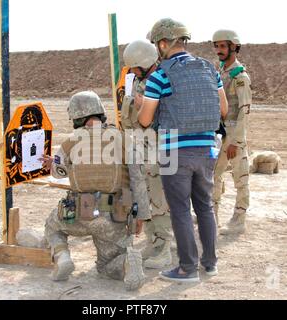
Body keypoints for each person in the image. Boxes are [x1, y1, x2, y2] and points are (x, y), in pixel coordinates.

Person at [137, 18, 228, 282]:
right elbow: (223, 111)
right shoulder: (210, 69)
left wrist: (142, 102)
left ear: (164, 43)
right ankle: (210, 264)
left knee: (180, 210)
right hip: (208, 149)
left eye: (157, 44)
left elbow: (144, 120)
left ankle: (187, 269)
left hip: (174, 152)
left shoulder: (160, 76)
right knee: (205, 207)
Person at [40, 91, 151, 291]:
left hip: (79, 214)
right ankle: (127, 261)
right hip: (114, 218)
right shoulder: (125, 140)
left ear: (76, 117)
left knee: (52, 227)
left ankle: (63, 257)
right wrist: (141, 215)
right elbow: (138, 180)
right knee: (106, 266)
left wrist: (52, 163)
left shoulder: (71, 141)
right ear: (99, 112)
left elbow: (58, 172)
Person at [121, 40, 173, 269]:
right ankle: (154, 243)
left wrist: (142, 106)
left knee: (159, 200)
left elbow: (161, 116)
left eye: (133, 67)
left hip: (160, 148)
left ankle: (164, 250)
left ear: (143, 63)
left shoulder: (161, 80)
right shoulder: (143, 81)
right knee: (148, 199)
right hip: (145, 147)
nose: (131, 72)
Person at [212, 30, 252, 234]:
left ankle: (239, 219)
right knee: (214, 175)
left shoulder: (240, 77)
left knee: (240, 177)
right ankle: (213, 216)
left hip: (234, 135)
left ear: (234, 47)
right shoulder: (220, 73)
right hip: (220, 135)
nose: (219, 50)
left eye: (223, 46)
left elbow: (245, 111)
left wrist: (235, 141)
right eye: (216, 46)